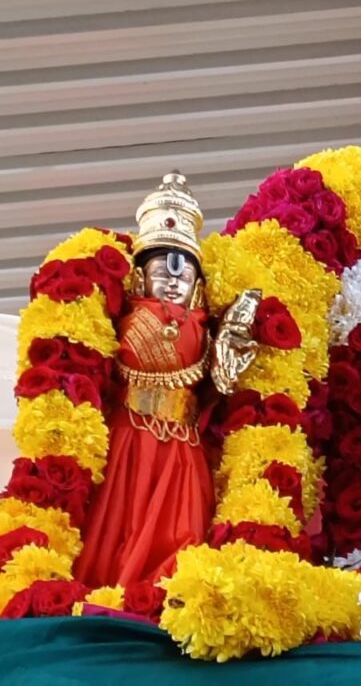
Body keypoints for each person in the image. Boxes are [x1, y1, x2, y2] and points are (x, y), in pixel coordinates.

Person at [76, 174, 223, 587]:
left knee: (183, 532)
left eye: (184, 277)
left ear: (198, 285)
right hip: (131, 438)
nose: (173, 282)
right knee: (121, 524)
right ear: (140, 278)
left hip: (184, 444)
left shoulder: (207, 329)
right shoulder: (122, 317)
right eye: (162, 273)